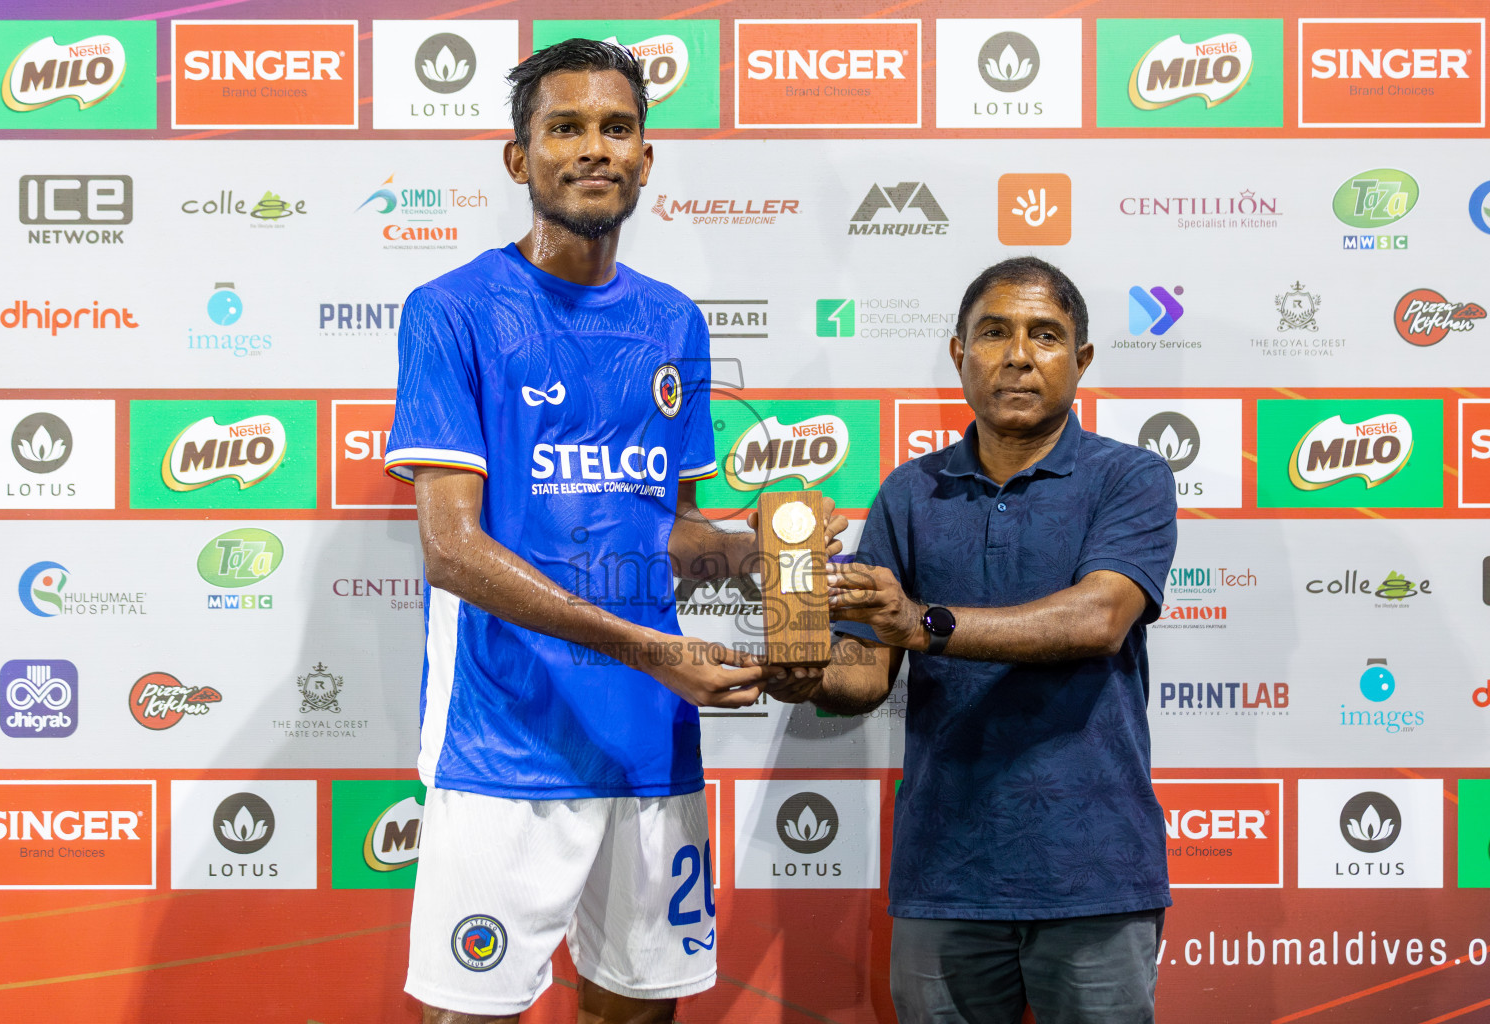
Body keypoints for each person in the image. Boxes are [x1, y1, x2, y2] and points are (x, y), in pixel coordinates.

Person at [383, 39, 843, 1024]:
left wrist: (765, 550)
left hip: (651, 737)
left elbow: (662, 532)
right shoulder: (453, 311)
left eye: (617, 128)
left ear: (645, 158)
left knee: (639, 1008)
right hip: (504, 738)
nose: (594, 148)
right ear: (521, 159)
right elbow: (452, 548)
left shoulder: (674, 322)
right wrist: (654, 649)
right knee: (470, 1013)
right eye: (566, 127)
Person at [766, 257, 1177, 1023]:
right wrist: (802, 665)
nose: (1018, 355)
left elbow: (1098, 619)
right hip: (945, 875)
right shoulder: (908, 493)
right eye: (994, 333)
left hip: (1095, 870)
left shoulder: (1131, 479)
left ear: (1081, 361)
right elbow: (864, 677)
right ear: (959, 354)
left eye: (1045, 335)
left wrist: (921, 623)